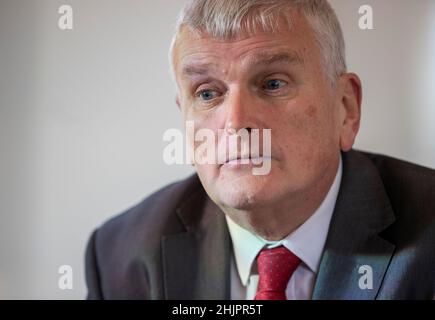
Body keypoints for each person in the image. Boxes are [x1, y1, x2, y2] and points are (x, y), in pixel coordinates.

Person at [85, 0, 435, 300]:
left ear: (345, 109)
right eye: (207, 93)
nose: (235, 123)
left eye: (272, 84)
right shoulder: (120, 256)